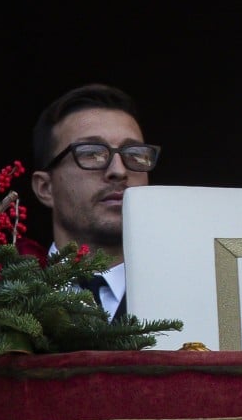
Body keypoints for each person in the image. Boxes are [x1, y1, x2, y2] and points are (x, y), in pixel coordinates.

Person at [30, 83, 160, 322]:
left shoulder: (193, 290)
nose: (119, 171)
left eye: (134, 154)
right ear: (45, 188)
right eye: (91, 153)